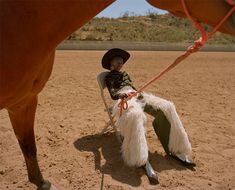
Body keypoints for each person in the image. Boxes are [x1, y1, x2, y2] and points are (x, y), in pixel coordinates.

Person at [101, 48, 196, 184]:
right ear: (111, 63)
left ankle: (175, 147)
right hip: (123, 100)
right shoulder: (109, 77)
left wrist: (135, 92)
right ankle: (141, 158)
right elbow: (113, 94)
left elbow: (132, 86)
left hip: (137, 95)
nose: (121, 62)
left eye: (121, 61)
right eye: (118, 60)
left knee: (167, 107)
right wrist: (123, 95)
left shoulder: (126, 74)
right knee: (136, 114)